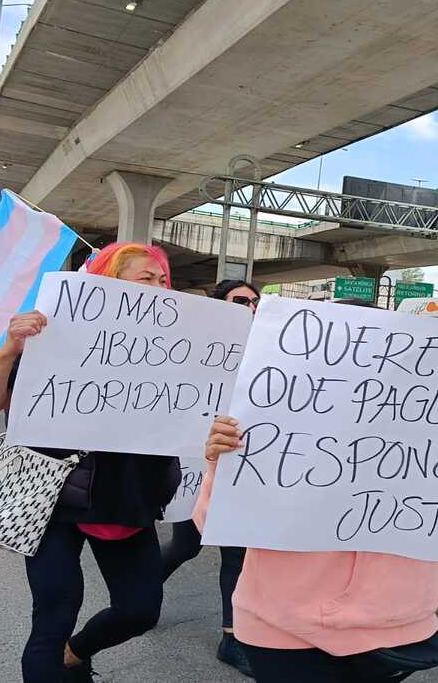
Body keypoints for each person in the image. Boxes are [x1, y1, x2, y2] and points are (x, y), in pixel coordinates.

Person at [195, 297, 438, 683]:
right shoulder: (272, 418)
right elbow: (212, 523)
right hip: (281, 628)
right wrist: (220, 462)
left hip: (396, 629)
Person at [0, 242, 182, 683]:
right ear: (105, 283)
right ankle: (56, 653)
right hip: (51, 496)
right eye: (145, 278)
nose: (159, 288)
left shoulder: (176, 349)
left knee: (140, 609)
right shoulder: (48, 335)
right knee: (54, 615)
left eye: (163, 280)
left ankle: (76, 653)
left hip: (128, 497)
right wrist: (9, 350)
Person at [159, 279, 260, 677]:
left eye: (255, 300)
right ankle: (140, 597)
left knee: (237, 552)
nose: (250, 306)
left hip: (239, 465)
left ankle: (231, 637)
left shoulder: (269, 344)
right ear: (221, 305)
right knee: (186, 544)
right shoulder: (196, 343)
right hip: (197, 463)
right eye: (241, 300)